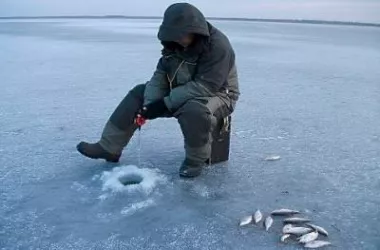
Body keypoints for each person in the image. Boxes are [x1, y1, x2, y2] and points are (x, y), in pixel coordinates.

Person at [77, 3, 240, 178]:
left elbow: (206, 86)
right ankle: (109, 147)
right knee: (138, 93)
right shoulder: (174, 43)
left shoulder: (218, 46)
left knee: (194, 109)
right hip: (184, 87)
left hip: (219, 93)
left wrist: (164, 104)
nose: (180, 40)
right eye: (177, 35)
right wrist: (148, 106)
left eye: (183, 35)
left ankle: (195, 161)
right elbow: (160, 75)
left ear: (196, 30)